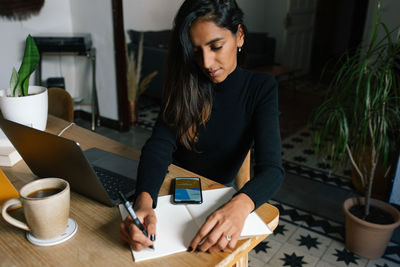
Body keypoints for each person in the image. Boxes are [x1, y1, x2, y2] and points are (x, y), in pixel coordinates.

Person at [120, 0, 284, 253]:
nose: (206, 63)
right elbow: (159, 146)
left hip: (215, 196)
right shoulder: (185, 81)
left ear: (239, 35)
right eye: (196, 51)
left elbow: (272, 169)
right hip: (167, 187)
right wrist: (143, 201)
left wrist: (240, 206)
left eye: (216, 46)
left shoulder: (261, 88)